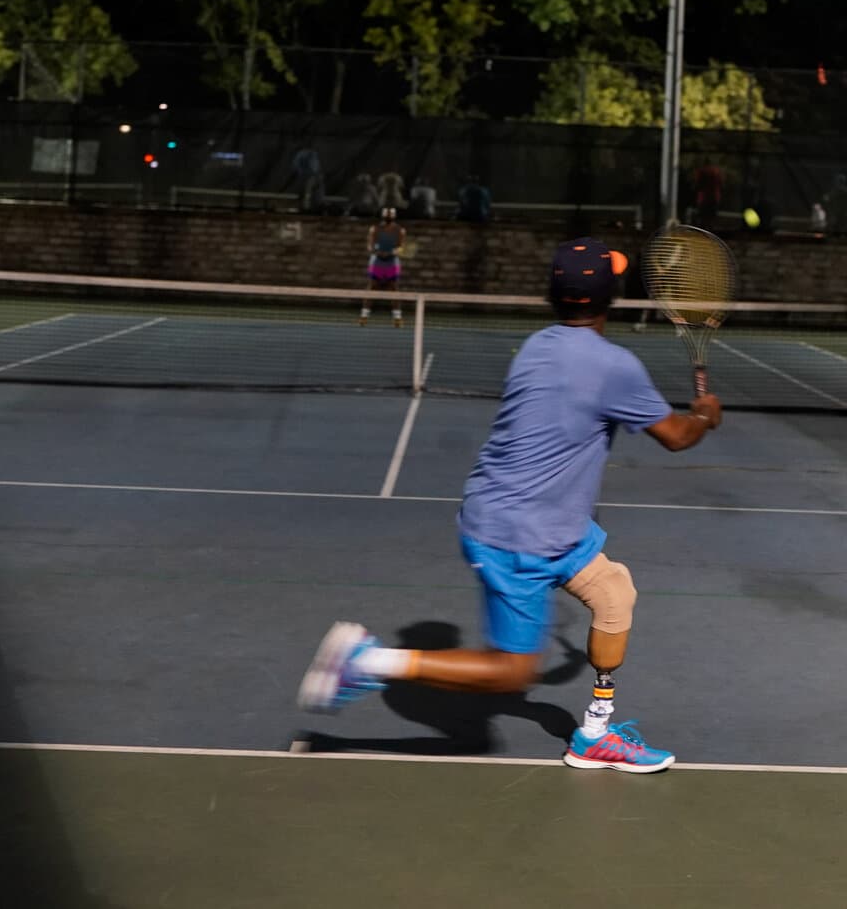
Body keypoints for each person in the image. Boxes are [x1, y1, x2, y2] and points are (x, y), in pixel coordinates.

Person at [299, 238, 723, 773]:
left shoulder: (537, 347)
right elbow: (678, 437)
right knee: (512, 674)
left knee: (614, 593)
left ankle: (594, 734)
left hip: (547, 523)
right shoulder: (614, 367)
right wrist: (706, 414)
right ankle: (368, 660)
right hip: (522, 533)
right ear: (610, 297)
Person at [361, 208, 407, 327]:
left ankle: (397, 318)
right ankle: (364, 316)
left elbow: (401, 247)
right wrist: (377, 252)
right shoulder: (374, 229)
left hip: (392, 263)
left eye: (390, 215)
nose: (388, 217)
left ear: (394, 216)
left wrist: (392, 253)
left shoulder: (400, 231)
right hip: (377, 262)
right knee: (371, 287)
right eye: (386, 215)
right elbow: (370, 246)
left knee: (394, 289)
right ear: (382, 216)